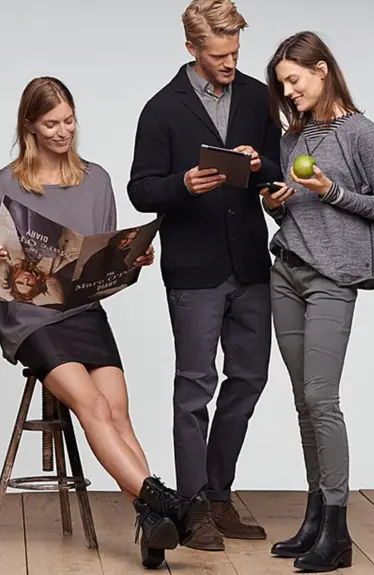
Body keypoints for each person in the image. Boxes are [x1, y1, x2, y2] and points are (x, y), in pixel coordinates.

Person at [0, 76, 190, 571]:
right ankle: (164, 503)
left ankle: (151, 515)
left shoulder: (97, 179)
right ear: (28, 125)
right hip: (30, 316)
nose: (62, 131)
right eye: (50, 123)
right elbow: (2, 263)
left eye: (69, 121)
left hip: (83, 310)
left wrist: (131, 259)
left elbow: (105, 266)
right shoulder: (5, 183)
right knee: (91, 404)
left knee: (118, 411)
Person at [126, 0, 279, 552]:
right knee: (194, 390)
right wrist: (183, 186)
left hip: (251, 267)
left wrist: (263, 170)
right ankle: (193, 508)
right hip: (193, 271)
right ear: (191, 48)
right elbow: (141, 188)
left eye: (236, 52)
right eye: (219, 54)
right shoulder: (162, 109)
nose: (230, 62)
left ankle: (219, 494)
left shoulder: (260, 97)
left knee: (249, 379)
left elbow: (278, 171)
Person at [258, 30, 374, 573]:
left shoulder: (360, 132)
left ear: (321, 69)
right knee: (302, 401)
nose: (289, 92)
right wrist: (278, 203)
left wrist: (328, 191)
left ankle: (337, 530)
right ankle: (315, 517)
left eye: (293, 81)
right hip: (287, 272)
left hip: (332, 279)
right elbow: (297, 214)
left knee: (322, 399)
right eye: (283, 85)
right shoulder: (294, 136)